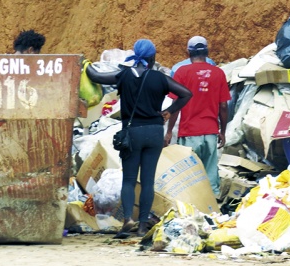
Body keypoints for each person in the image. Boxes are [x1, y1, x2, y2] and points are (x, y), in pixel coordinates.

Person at [86, 39, 192, 237]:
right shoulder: (160, 78)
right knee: (148, 181)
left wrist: (83, 65)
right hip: (154, 132)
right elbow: (186, 93)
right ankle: (143, 226)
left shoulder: (124, 75)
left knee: (129, 180)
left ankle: (128, 219)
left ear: (135, 56)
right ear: (152, 58)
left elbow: (97, 76)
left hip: (132, 131)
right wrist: (169, 111)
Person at [165, 36, 230, 198]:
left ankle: (192, 213)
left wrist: (169, 131)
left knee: (190, 179)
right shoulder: (218, 73)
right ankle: (213, 212)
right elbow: (223, 106)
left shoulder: (181, 73)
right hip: (210, 134)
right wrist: (223, 131)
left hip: (188, 134)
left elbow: (176, 107)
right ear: (207, 52)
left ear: (188, 53)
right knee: (210, 177)